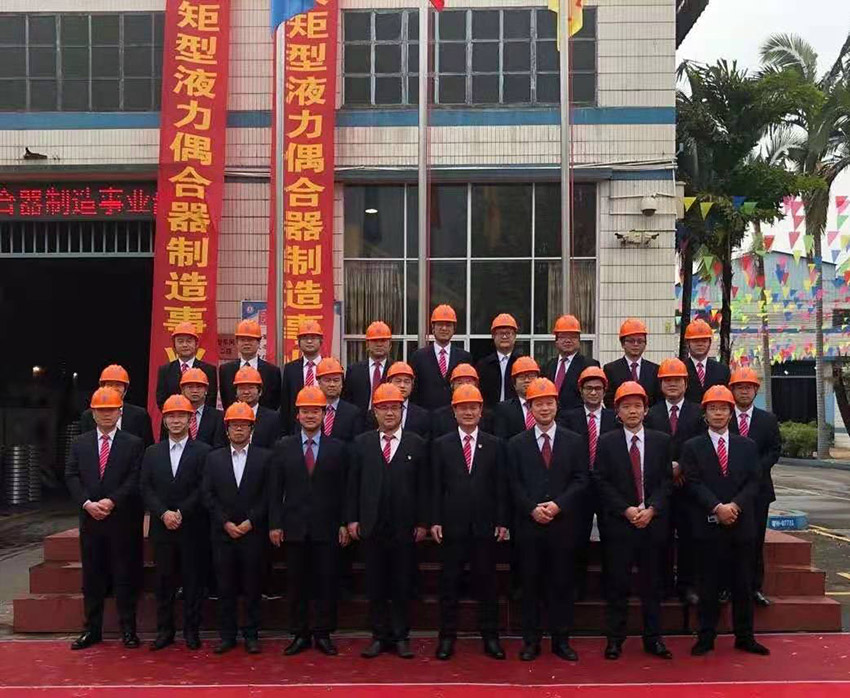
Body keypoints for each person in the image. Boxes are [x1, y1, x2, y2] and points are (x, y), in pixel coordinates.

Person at [681, 385, 769, 657]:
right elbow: (692, 482)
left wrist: (734, 506)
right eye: (713, 409)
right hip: (707, 525)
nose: (718, 413)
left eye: (723, 409)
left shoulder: (747, 446)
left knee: (743, 584)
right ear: (705, 414)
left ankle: (745, 637)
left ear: (731, 413)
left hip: (741, 524)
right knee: (707, 584)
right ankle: (706, 637)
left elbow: (754, 482)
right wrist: (717, 507)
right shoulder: (692, 447)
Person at [508, 378, 588, 662]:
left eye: (549, 403)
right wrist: (531, 508)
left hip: (562, 526)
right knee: (530, 586)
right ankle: (531, 641)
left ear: (557, 405)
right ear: (529, 408)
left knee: (562, 584)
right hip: (529, 526)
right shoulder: (516, 444)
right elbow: (512, 483)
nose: (544, 408)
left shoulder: (574, 441)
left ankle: (561, 640)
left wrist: (558, 505)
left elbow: (581, 479)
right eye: (538, 404)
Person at [347, 383, 429, 659]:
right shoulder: (361, 443)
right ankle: (379, 636)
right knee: (376, 584)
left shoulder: (416, 443)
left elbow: (423, 487)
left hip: (405, 527)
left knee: (402, 583)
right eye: (384, 408)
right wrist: (352, 520)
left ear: (402, 411)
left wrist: (422, 522)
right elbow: (353, 485)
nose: (390, 413)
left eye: (394, 408)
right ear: (375, 412)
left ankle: (401, 636)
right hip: (372, 526)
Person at [593, 381, 673, 660]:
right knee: (618, 584)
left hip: (652, 523)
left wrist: (652, 509)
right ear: (617, 412)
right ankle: (615, 639)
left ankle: (654, 639)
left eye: (637, 406)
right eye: (626, 406)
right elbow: (601, 481)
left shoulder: (661, 441)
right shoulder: (607, 442)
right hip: (620, 524)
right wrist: (626, 510)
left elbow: (666, 482)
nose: (632, 411)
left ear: (646, 410)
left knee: (652, 585)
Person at [269, 386, 350, 657]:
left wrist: (343, 523)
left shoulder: (338, 448)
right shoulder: (283, 447)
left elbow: (345, 489)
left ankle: (323, 633)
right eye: (305, 411)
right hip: (293, 528)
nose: (310, 415)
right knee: (296, 583)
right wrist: (275, 524)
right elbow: (275, 489)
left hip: (327, 527)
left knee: (326, 582)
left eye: (316, 410)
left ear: (324, 414)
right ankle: (299, 634)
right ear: (297, 414)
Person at [431, 384, 509, 661]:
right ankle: (446, 637)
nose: (468, 412)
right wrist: (435, 519)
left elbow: (501, 486)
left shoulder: (495, 444)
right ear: (454, 411)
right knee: (449, 584)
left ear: (480, 411)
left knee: (487, 584)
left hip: (484, 526)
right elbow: (435, 486)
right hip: (451, 526)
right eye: (462, 408)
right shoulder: (441, 444)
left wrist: (502, 520)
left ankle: (491, 637)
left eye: (473, 407)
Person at [65, 387, 144, 650]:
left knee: (124, 575)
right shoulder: (80, 443)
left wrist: (112, 501)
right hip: (91, 520)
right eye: (101, 410)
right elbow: (71, 475)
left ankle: (128, 630)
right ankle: (92, 629)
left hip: (121, 520)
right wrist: (87, 503)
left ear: (120, 412)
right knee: (92, 577)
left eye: (111, 410)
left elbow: (135, 477)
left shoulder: (133, 443)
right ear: (93, 413)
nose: (106, 414)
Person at [141, 395, 211, 651]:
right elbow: (145, 487)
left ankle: (191, 631)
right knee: (163, 582)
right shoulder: (152, 452)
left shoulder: (203, 451)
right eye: (171, 416)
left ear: (190, 419)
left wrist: (181, 511)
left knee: (193, 581)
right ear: (165, 421)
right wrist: (163, 513)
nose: (176, 420)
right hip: (162, 528)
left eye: (181, 416)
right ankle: (165, 631)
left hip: (192, 527)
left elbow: (204, 487)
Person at [203, 402, 272, 655]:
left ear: (252, 429)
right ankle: (227, 635)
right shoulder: (214, 458)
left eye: (244, 425)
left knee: (253, 586)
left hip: (253, 533)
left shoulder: (265, 457)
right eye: (234, 425)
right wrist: (225, 522)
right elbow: (208, 494)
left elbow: (269, 494)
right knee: (225, 587)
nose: (239, 429)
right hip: (223, 534)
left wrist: (250, 521)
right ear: (227, 429)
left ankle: (251, 635)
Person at [646, 358, 705, 605]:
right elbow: (648, 449)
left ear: (686, 383)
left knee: (690, 537)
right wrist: (667, 469)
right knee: (661, 538)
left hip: (688, 486)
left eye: (677, 380)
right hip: (661, 487)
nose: (672, 384)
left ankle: (687, 585)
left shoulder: (698, 412)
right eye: (667, 380)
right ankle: (662, 585)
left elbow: (702, 447)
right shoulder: (651, 413)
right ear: (660, 385)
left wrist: (681, 467)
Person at [559, 366, 617, 599]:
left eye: (598, 388)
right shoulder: (567, 417)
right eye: (589, 388)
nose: (593, 393)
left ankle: (609, 586)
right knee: (576, 537)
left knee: (610, 537)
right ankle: (576, 586)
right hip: (579, 485)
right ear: (581, 391)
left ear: (605, 391)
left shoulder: (614, 417)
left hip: (607, 485)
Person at [728, 367, 781, 607]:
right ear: (732, 390)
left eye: (748, 387)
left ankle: (754, 588)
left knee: (755, 540)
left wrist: (755, 470)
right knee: (727, 541)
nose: (744, 392)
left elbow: (774, 450)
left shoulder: (767, 420)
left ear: (755, 390)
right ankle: (726, 587)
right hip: (729, 490)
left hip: (759, 490)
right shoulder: (723, 416)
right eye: (739, 387)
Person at [409, 304, 472, 410]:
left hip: (455, 415)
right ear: (433, 328)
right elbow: (414, 392)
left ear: (454, 329)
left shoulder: (464, 357)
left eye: (448, 325)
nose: (444, 328)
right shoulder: (418, 357)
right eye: (440, 325)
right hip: (426, 415)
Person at [79, 364, 153, 447]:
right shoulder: (88, 416)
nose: (113, 389)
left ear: (125, 390)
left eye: (118, 385)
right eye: (109, 384)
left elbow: (148, 447)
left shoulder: (140, 415)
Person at [219, 320, 282, 409]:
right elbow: (226, 401)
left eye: (250, 340)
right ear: (237, 342)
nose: (246, 343)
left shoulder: (272, 371)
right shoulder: (225, 370)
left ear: (259, 342)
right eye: (242, 340)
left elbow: (275, 402)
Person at [543, 315, 600, 412]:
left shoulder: (589, 365)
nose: (568, 341)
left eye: (573, 337)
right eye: (563, 337)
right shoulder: (548, 366)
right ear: (556, 341)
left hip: (577, 418)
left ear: (579, 341)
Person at [155, 321, 217, 409]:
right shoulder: (165, 370)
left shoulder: (208, 370)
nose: (184, 345)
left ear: (196, 344)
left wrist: (195, 414)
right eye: (180, 341)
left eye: (189, 341)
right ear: (174, 345)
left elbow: (211, 399)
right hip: (174, 416)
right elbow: (161, 399)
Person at [279, 320, 324, 435]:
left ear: (321, 341)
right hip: (296, 429)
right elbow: (286, 404)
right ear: (298, 342)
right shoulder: (290, 369)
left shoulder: (329, 366)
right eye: (304, 338)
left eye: (313, 337)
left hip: (324, 426)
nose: (309, 341)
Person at [366, 361, 431, 439]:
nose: (402, 385)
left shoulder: (423, 416)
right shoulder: (373, 414)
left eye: (407, 382)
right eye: (398, 381)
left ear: (412, 385)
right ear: (389, 383)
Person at [603, 318, 660, 408]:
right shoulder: (610, 369)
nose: (636, 344)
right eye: (631, 341)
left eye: (640, 341)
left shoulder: (655, 370)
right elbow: (608, 400)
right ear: (622, 344)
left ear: (645, 344)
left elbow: (658, 399)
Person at [341, 321, 394, 414]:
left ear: (390, 345)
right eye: (374, 341)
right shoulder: (354, 370)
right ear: (367, 344)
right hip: (359, 420)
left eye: (383, 340)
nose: (379, 344)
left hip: (388, 418)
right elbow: (347, 401)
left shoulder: (395, 370)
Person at [431, 363, 495, 437]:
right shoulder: (439, 417)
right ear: (452, 386)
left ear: (476, 385)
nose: (464, 386)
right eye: (459, 383)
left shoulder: (488, 417)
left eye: (468, 382)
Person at [475, 313, 521, 409]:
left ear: (515, 336)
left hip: (516, 413)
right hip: (490, 414)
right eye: (500, 333)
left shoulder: (521, 363)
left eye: (508, 333)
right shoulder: (483, 365)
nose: (504, 337)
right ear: (493, 336)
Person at [313, 357, 364, 441]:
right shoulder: (310, 410)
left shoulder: (353, 413)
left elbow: (356, 444)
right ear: (319, 382)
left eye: (336, 380)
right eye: (327, 380)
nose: (332, 384)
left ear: (342, 384)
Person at [174, 367, 226, 448]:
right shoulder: (173, 415)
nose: (195, 391)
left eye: (199, 387)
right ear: (182, 390)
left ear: (206, 390)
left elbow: (220, 446)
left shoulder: (217, 417)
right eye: (190, 387)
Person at [233, 365, 281, 448]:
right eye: (242, 388)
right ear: (236, 392)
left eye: (251, 388)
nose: (246, 392)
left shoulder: (273, 418)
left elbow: (275, 448)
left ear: (260, 391)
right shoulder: (226, 417)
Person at [683, 319, 730, 404]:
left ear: (710, 343)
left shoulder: (722, 370)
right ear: (687, 343)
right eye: (695, 341)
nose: (700, 344)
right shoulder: (681, 369)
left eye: (704, 341)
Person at [493, 356, 540, 440]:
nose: (527, 380)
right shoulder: (503, 409)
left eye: (531, 376)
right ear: (514, 384)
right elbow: (501, 440)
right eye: (522, 377)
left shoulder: (548, 406)